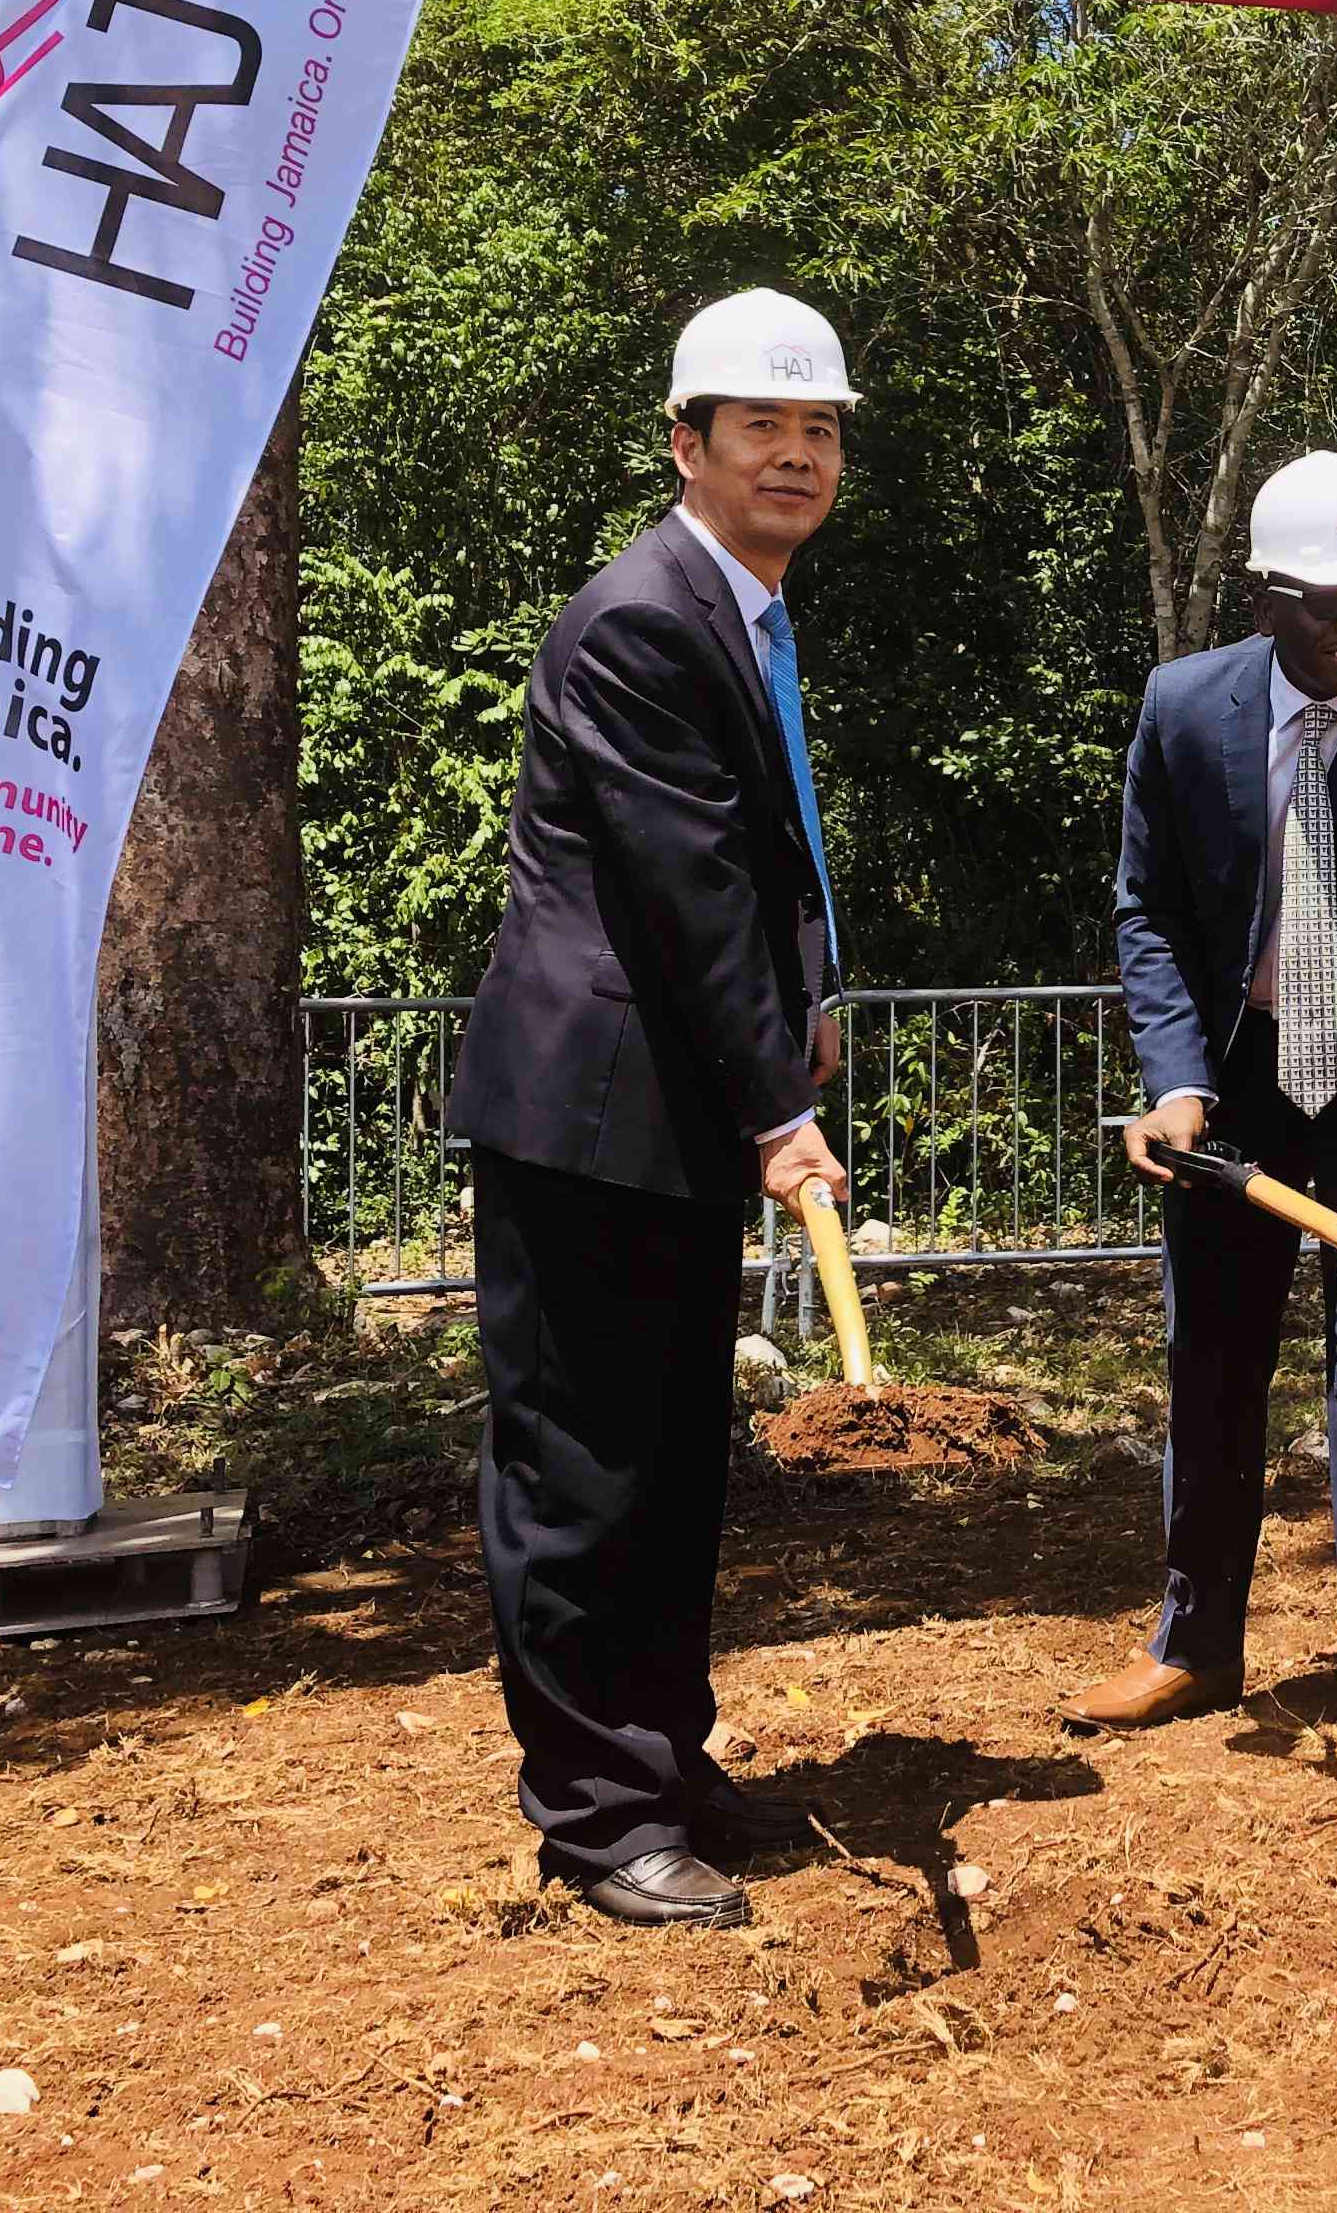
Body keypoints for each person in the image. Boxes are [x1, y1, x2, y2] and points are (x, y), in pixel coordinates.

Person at [444, 289, 864, 1928]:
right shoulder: (643, 614)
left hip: (671, 1108)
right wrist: (778, 1105)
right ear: (686, 443)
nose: (796, 452)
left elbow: (763, 866)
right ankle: (600, 1813)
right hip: (592, 1112)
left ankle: (661, 1754)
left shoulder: (741, 608)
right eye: (761, 427)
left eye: (819, 429)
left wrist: (800, 1015)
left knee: (675, 1457)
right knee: (582, 1467)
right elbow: (685, 885)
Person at [1079, 455, 1337, 1790]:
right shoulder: (1184, 710)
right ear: (1267, 602)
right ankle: (1195, 1642)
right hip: (1234, 1081)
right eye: (1332, 607)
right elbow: (1147, 911)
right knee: (1210, 1359)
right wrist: (1178, 1076)